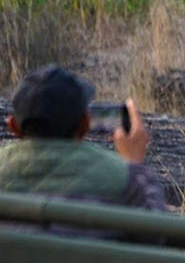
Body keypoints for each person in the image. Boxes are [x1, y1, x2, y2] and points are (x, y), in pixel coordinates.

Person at [0, 66, 165, 234]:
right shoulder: (123, 179)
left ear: (13, 126)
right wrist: (134, 165)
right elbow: (158, 236)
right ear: (85, 124)